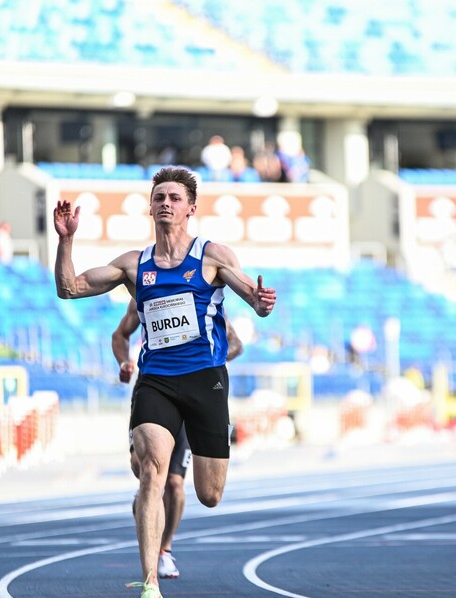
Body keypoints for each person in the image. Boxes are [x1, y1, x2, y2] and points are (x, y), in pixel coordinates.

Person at [54, 166, 275, 597]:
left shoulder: (212, 256)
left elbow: (255, 299)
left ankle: (160, 536)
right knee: (153, 473)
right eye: (159, 198)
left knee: (209, 494)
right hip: (156, 380)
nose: (166, 204)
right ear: (150, 207)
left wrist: (263, 302)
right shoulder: (134, 265)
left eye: (175, 198)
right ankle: (150, 582)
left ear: (191, 208)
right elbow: (69, 288)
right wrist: (66, 240)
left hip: (205, 379)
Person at [112, 298, 243, 580]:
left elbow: (236, 344)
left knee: (176, 483)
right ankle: (148, 499)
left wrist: (209, 359)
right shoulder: (144, 293)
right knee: (145, 470)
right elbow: (119, 334)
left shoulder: (203, 300)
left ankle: (165, 549)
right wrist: (124, 362)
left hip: (195, 391)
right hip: (155, 388)